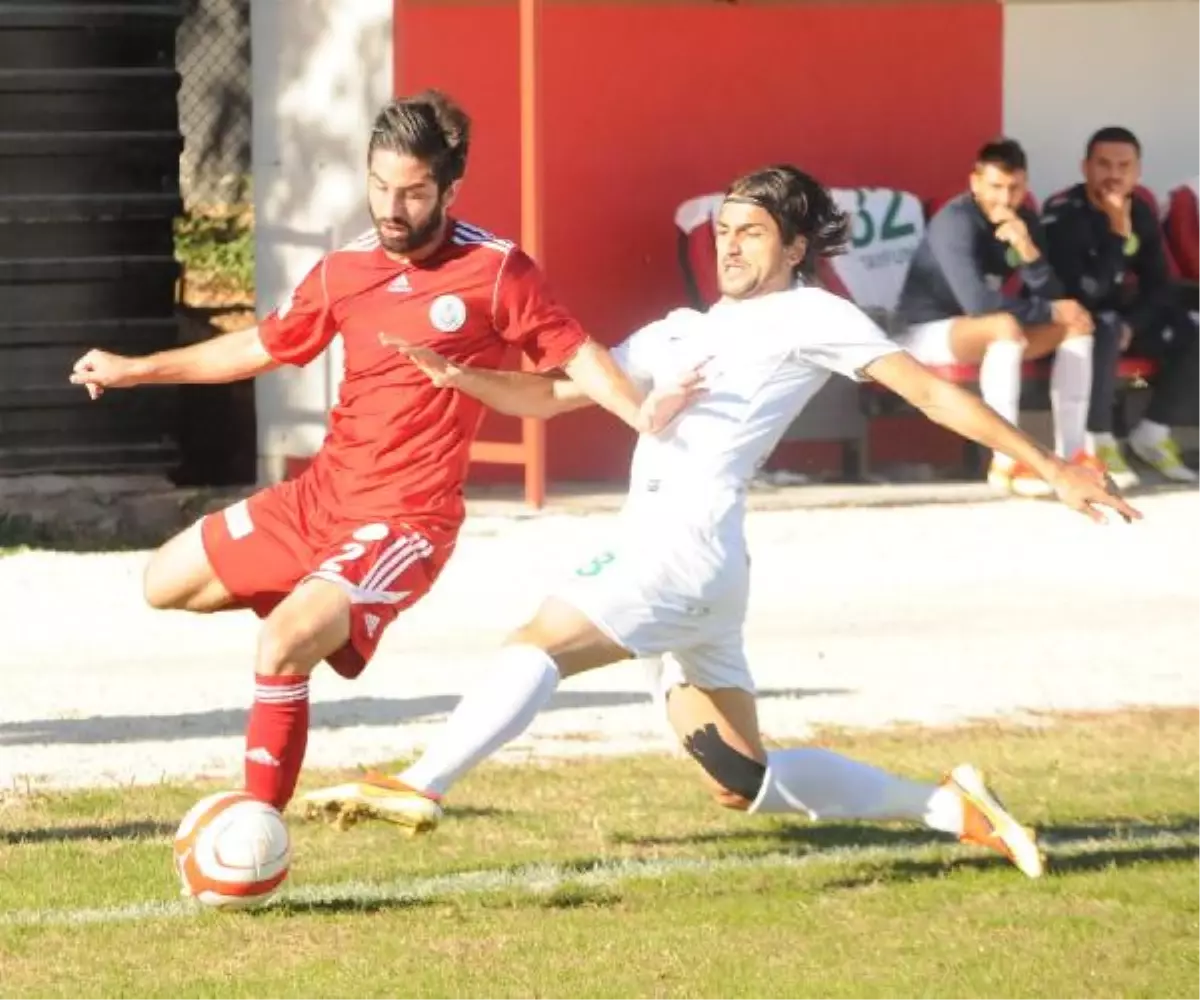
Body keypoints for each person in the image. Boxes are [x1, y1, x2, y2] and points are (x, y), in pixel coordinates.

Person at [299, 165, 1140, 879]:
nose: (730, 244)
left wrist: (1051, 466)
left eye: (753, 232)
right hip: (702, 567)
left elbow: (927, 389)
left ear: (797, 248)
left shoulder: (811, 315)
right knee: (740, 777)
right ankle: (949, 805)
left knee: (537, 643)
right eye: (725, 229)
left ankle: (422, 782)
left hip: (678, 548)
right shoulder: (679, 330)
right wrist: (457, 373)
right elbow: (555, 394)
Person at [66, 90, 690, 812]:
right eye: (380, 186)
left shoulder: (496, 272)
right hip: (318, 500)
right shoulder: (344, 272)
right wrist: (137, 368)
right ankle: (320, 601)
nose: (392, 207)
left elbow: (576, 356)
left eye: (414, 192)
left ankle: (257, 830)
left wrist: (647, 418)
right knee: (163, 582)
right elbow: (261, 347)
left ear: (449, 191)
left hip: (404, 521)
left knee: (281, 643)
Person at [894, 139, 1098, 498]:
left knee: (1076, 326)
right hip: (924, 332)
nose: (1004, 199)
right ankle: (1005, 460)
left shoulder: (1025, 221)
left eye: (1014, 188)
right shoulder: (954, 221)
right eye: (995, 187)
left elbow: (1051, 295)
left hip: (988, 334)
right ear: (975, 182)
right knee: (1003, 326)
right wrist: (1050, 311)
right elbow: (977, 303)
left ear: (1025, 185)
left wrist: (1028, 251)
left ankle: (1074, 454)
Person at [1042, 126, 1200, 487]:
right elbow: (1083, 296)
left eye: (1124, 166)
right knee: (1105, 324)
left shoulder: (1141, 211)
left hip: (1122, 321)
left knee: (1191, 328)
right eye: (1104, 164)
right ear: (1085, 167)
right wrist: (1116, 232)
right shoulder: (1064, 213)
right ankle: (1099, 440)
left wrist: (1136, 323)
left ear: (1137, 172)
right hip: (1070, 324)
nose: (1114, 174)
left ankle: (1153, 432)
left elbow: (1159, 285)